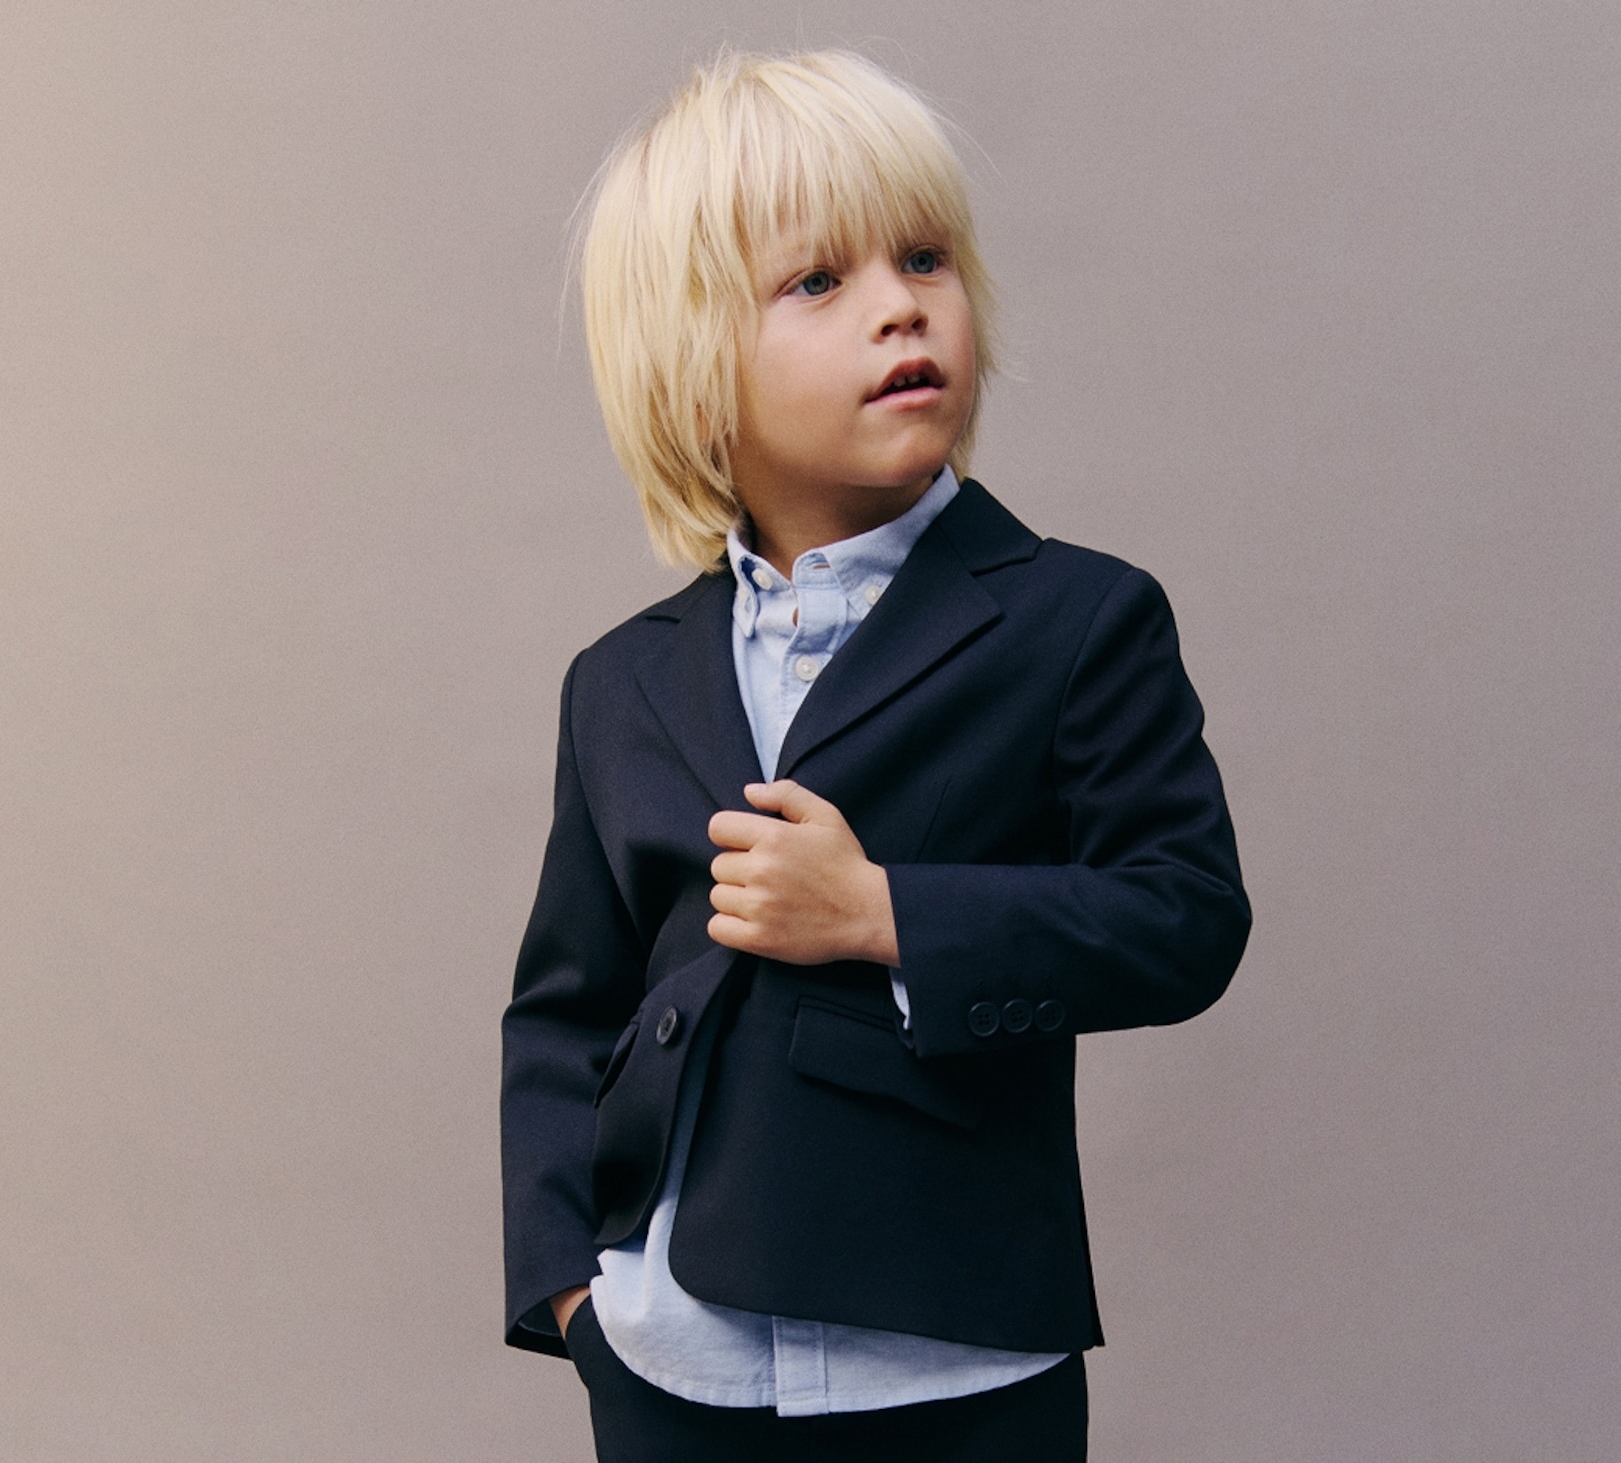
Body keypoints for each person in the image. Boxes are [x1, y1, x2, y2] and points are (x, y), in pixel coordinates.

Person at [500, 49, 1250, 1462]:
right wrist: (575, 1294)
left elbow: (1186, 918)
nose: (901, 305)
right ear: (692, 370)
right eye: (816, 281)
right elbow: (564, 1011)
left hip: (953, 1354)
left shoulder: (1077, 619)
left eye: (924, 258)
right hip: (672, 1361)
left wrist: (882, 913)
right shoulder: (620, 682)